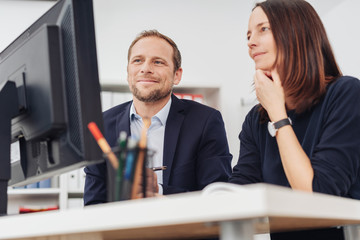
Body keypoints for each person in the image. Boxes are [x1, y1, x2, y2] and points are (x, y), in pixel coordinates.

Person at [229, 0, 360, 239]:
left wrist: (278, 116)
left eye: (263, 29)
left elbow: (317, 196)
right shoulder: (256, 119)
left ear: (296, 32)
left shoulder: (346, 93)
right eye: (248, 34)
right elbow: (241, 190)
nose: (250, 41)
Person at [84, 30, 232, 205]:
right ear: (128, 72)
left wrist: (157, 190)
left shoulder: (206, 121)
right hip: (124, 231)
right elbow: (94, 204)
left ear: (177, 75)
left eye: (158, 62)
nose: (145, 69)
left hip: (184, 230)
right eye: (138, 60)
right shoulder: (101, 126)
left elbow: (217, 197)